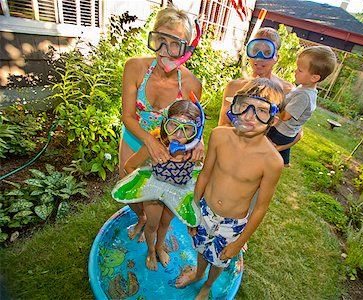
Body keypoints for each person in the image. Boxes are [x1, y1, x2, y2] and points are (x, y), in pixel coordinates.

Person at [175, 78, 284, 299]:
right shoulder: (219, 135)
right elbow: (204, 174)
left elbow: (261, 208)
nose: (249, 116)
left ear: (273, 119)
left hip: (232, 224)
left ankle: (207, 285)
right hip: (205, 211)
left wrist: (240, 242)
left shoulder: (272, 161)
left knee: (220, 259)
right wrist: (193, 213)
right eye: (244, 106)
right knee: (201, 248)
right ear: (235, 105)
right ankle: (197, 273)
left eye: (261, 110)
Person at [119, 6, 203, 241]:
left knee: (163, 193)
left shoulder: (191, 84)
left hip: (166, 146)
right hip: (135, 136)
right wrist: (148, 140)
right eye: (160, 40)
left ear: (187, 48)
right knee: (128, 188)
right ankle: (141, 218)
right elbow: (127, 116)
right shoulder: (134, 67)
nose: (164, 50)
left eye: (174, 43)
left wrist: (199, 141)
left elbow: (191, 121)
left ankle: (156, 228)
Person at [112, 100, 203, 270]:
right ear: (164, 124)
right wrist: (140, 191)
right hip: (154, 193)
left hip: (176, 193)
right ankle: (151, 252)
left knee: (165, 224)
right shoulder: (156, 146)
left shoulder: (194, 152)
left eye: (187, 129)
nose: (177, 134)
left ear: (196, 133)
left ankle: (159, 247)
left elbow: (203, 174)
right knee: (152, 225)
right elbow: (129, 166)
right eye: (172, 126)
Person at [267, 45, 337, 167]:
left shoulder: (304, 96)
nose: (295, 71)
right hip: (287, 131)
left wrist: (274, 103)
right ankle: (284, 160)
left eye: (300, 70)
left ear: (314, 77)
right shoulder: (304, 88)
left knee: (265, 149)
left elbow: (284, 116)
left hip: (281, 132)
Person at [218, 27, 293, 127]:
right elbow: (223, 124)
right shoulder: (234, 86)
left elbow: (292, 131)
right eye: (255, 50)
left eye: (267, 53)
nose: (259, 58)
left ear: (276, 58)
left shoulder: (286, 90)